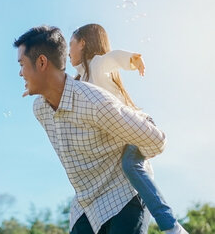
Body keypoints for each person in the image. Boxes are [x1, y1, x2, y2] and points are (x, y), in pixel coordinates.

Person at [15, 25, 167, 234]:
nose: (20, 72)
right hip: (85, 205)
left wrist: (129, 159)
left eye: (22, 64)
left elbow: (156, 140)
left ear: (41, 62)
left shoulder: (93, 102)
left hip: (122, 195)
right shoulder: (40, 109)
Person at [69, 24, 187, 234]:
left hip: (138, 126)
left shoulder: (96, 64)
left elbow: (112, 58)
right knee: (129, 166)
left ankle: (171, 226)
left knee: (130, 165)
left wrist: (132, 59)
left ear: (83, 43)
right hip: (125, 133)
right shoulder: (80, 80)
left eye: (71, 44)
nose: (68, 51)